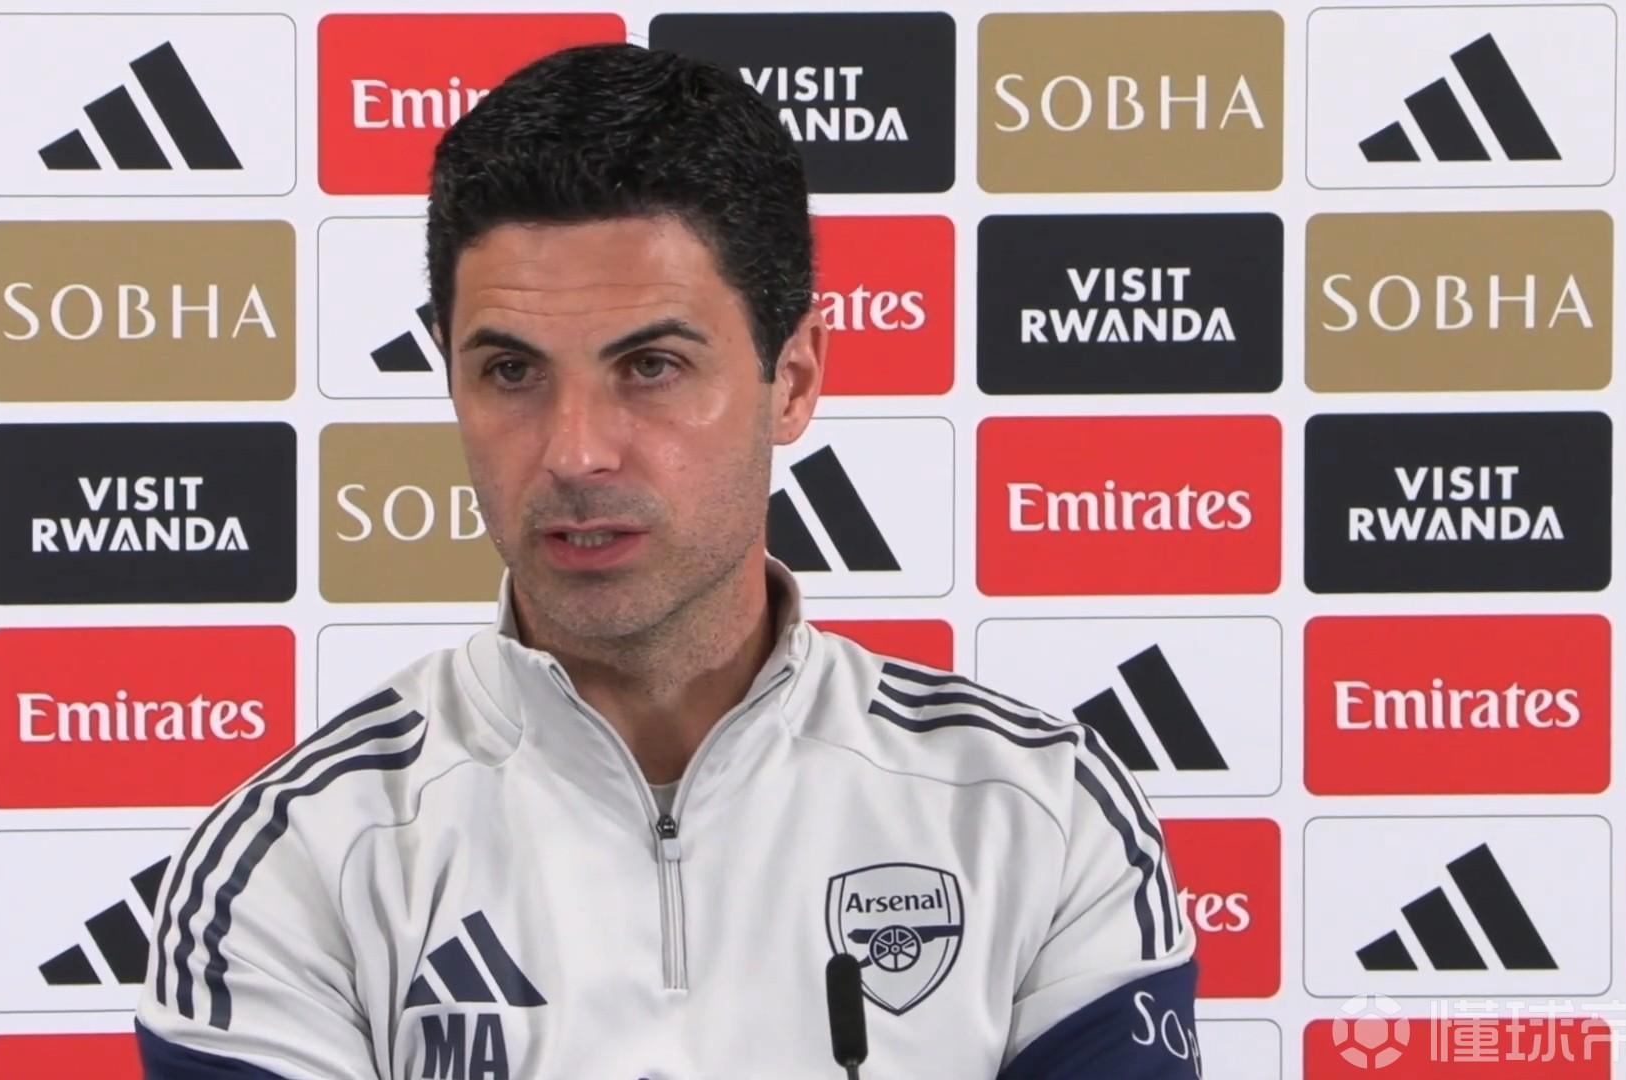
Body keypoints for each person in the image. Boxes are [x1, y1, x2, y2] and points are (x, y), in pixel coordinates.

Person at [136, 41, 1198, 1079]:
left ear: (793, 379)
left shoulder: (1038, 813)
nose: (575, 451)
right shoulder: (294, 865)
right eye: (511, 372)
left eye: (650, 365)